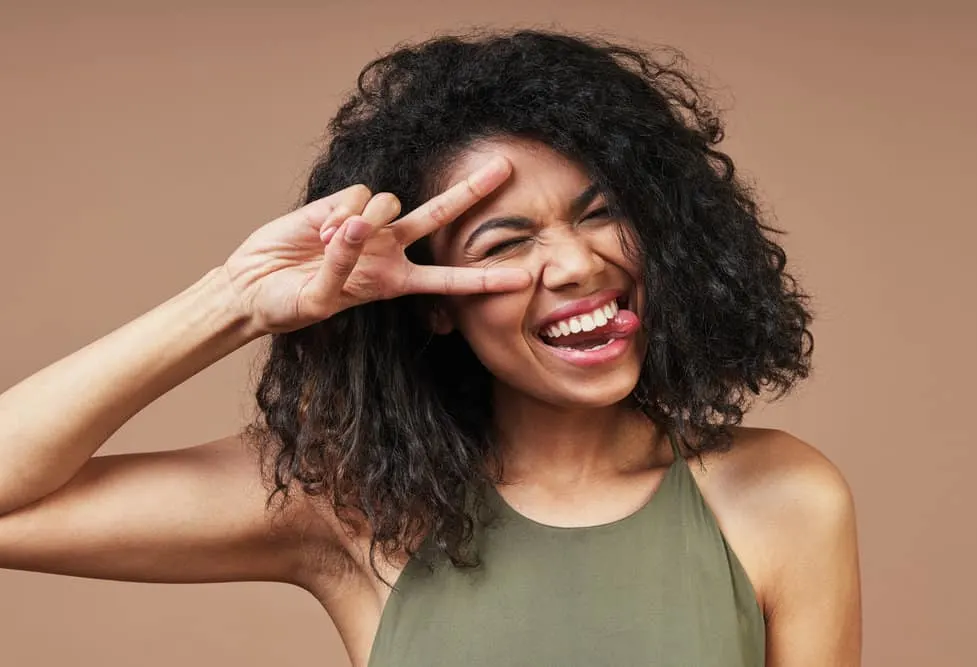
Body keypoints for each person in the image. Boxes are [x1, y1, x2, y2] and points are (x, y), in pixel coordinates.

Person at [0, 28, 861, 666]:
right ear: (430, 303)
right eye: (504, 243)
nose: (575, 263)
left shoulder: (782, 498)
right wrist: (238, 300)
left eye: (601, 213)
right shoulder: (349, 504)